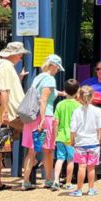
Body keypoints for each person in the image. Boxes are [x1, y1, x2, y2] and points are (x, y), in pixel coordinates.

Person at [0, 41, 29, 192]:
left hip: (0, 114)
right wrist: (6, 112)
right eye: (21, 55)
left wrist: (19, 77)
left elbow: (2, 86)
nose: (22, 58)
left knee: (2, 145)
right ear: (15, 54)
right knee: (35, 134)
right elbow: (4, 90)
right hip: (11, 113)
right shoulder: (6, 67)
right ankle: (34, 175)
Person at [19, 53, 65, 190]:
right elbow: (43, 99)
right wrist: (44, 119)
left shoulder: (38, 78)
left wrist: (61, 93)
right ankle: (49, 179)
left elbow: (48, 94)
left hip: (32, 118)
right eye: (57, 68)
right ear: (54, 66)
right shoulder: (50, 79)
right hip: (44, 118)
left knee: (32, 151)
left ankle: (25, 181)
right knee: (48, 150)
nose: (58, 70)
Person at [69, 86, 101, 197]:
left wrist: (72, 141)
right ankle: (91, 189)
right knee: (91, 167)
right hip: (93, 142)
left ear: (78, 97)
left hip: (80, 143)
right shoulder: (97, 111)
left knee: (81, 166)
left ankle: (79, 190)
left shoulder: (76, 112)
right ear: (92, 96)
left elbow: (73, 129)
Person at [52, 79, 81, 191]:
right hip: (72, 138)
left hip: (60, 136)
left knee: (59, 159)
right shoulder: (78, 105)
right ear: (77, 91)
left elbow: (56, 122)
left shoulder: (59, 104)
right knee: (70, 160)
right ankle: (68, 182)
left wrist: (55, 136)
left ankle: (56, 181)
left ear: (65, 90)